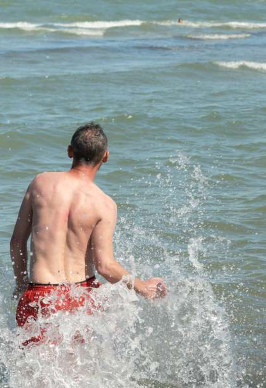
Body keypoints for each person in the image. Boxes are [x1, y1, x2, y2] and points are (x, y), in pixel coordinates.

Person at [10, 122, 167, 346]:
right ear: (105, 157)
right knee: (77, 369)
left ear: (70, 151)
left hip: (39, 294)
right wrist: (144, 287)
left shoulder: (40, 183)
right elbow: (105, 267)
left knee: (33, 368)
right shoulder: (104, 204)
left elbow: (17, 242)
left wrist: (20, 283)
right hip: (81, 296)